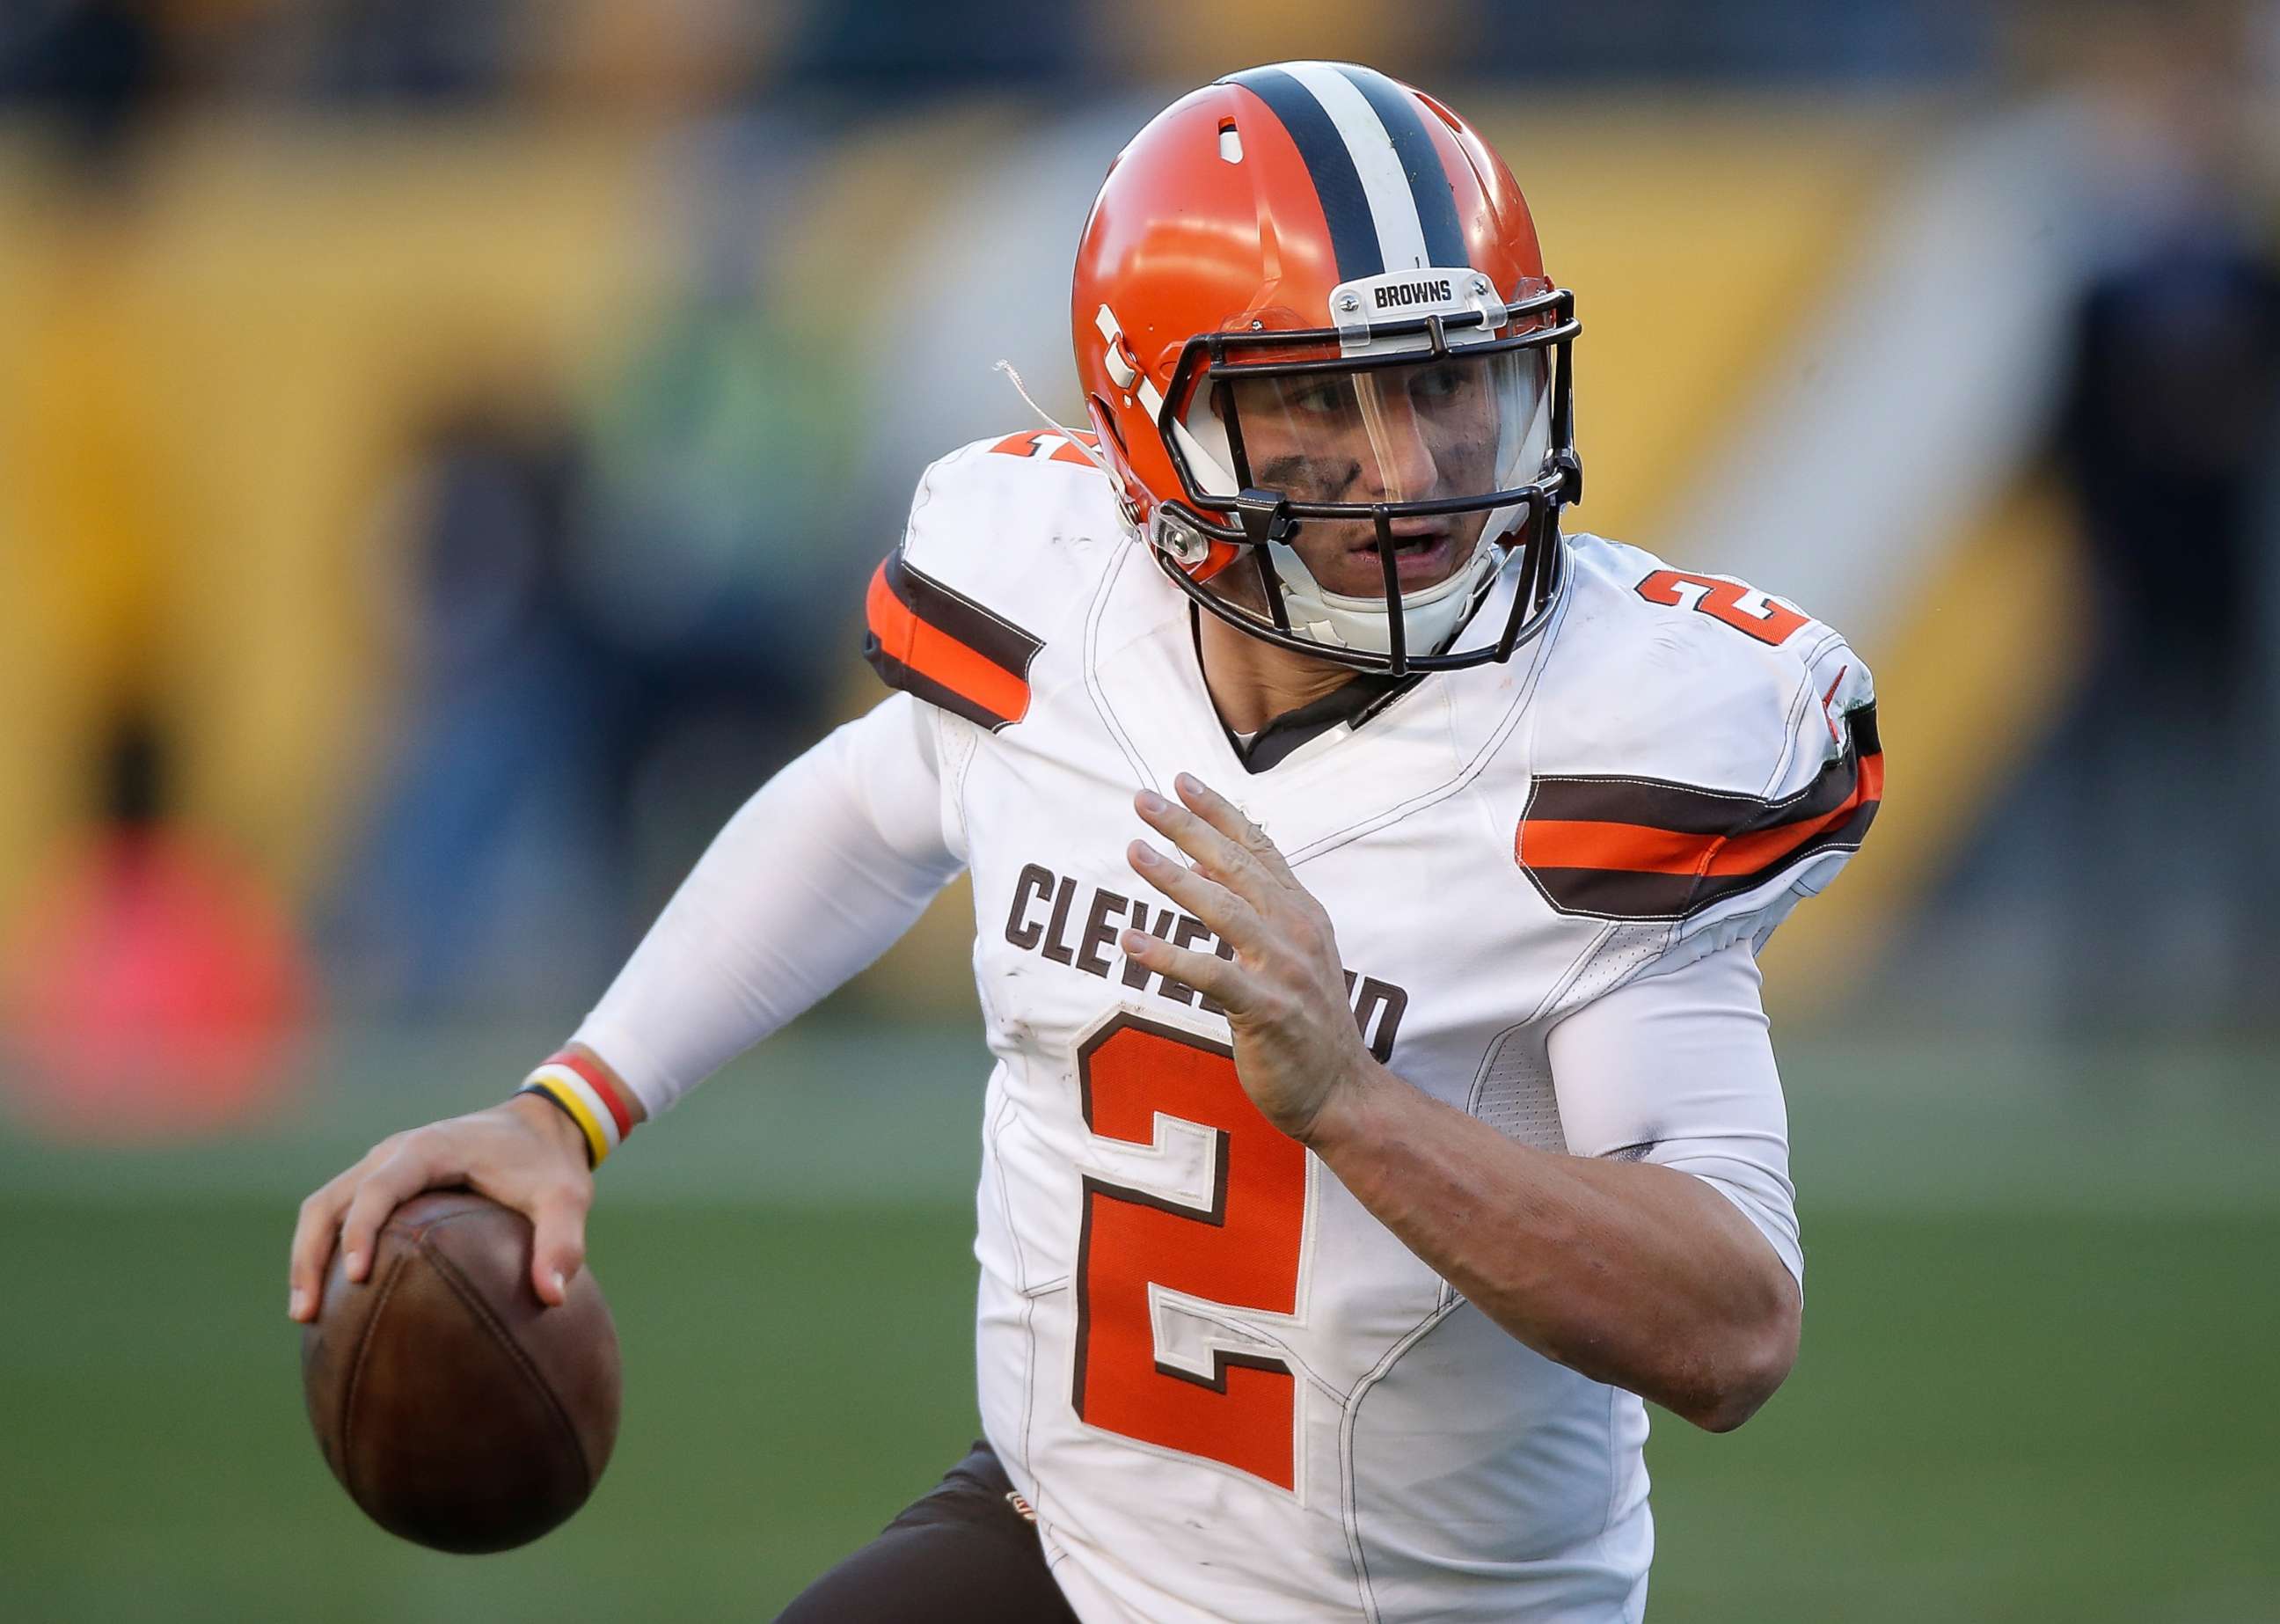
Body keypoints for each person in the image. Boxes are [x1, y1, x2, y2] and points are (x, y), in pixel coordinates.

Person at [289, 62, 1881, 1622]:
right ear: (1157, 430)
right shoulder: (1055, 603)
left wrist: (1355, 1106)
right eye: (1323, 395)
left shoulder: (1608, 750)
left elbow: (1733, 1326)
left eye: (1448, 380)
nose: (1409, 468)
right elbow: (868, 805)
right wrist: (564, 1111)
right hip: (1064, 1540)